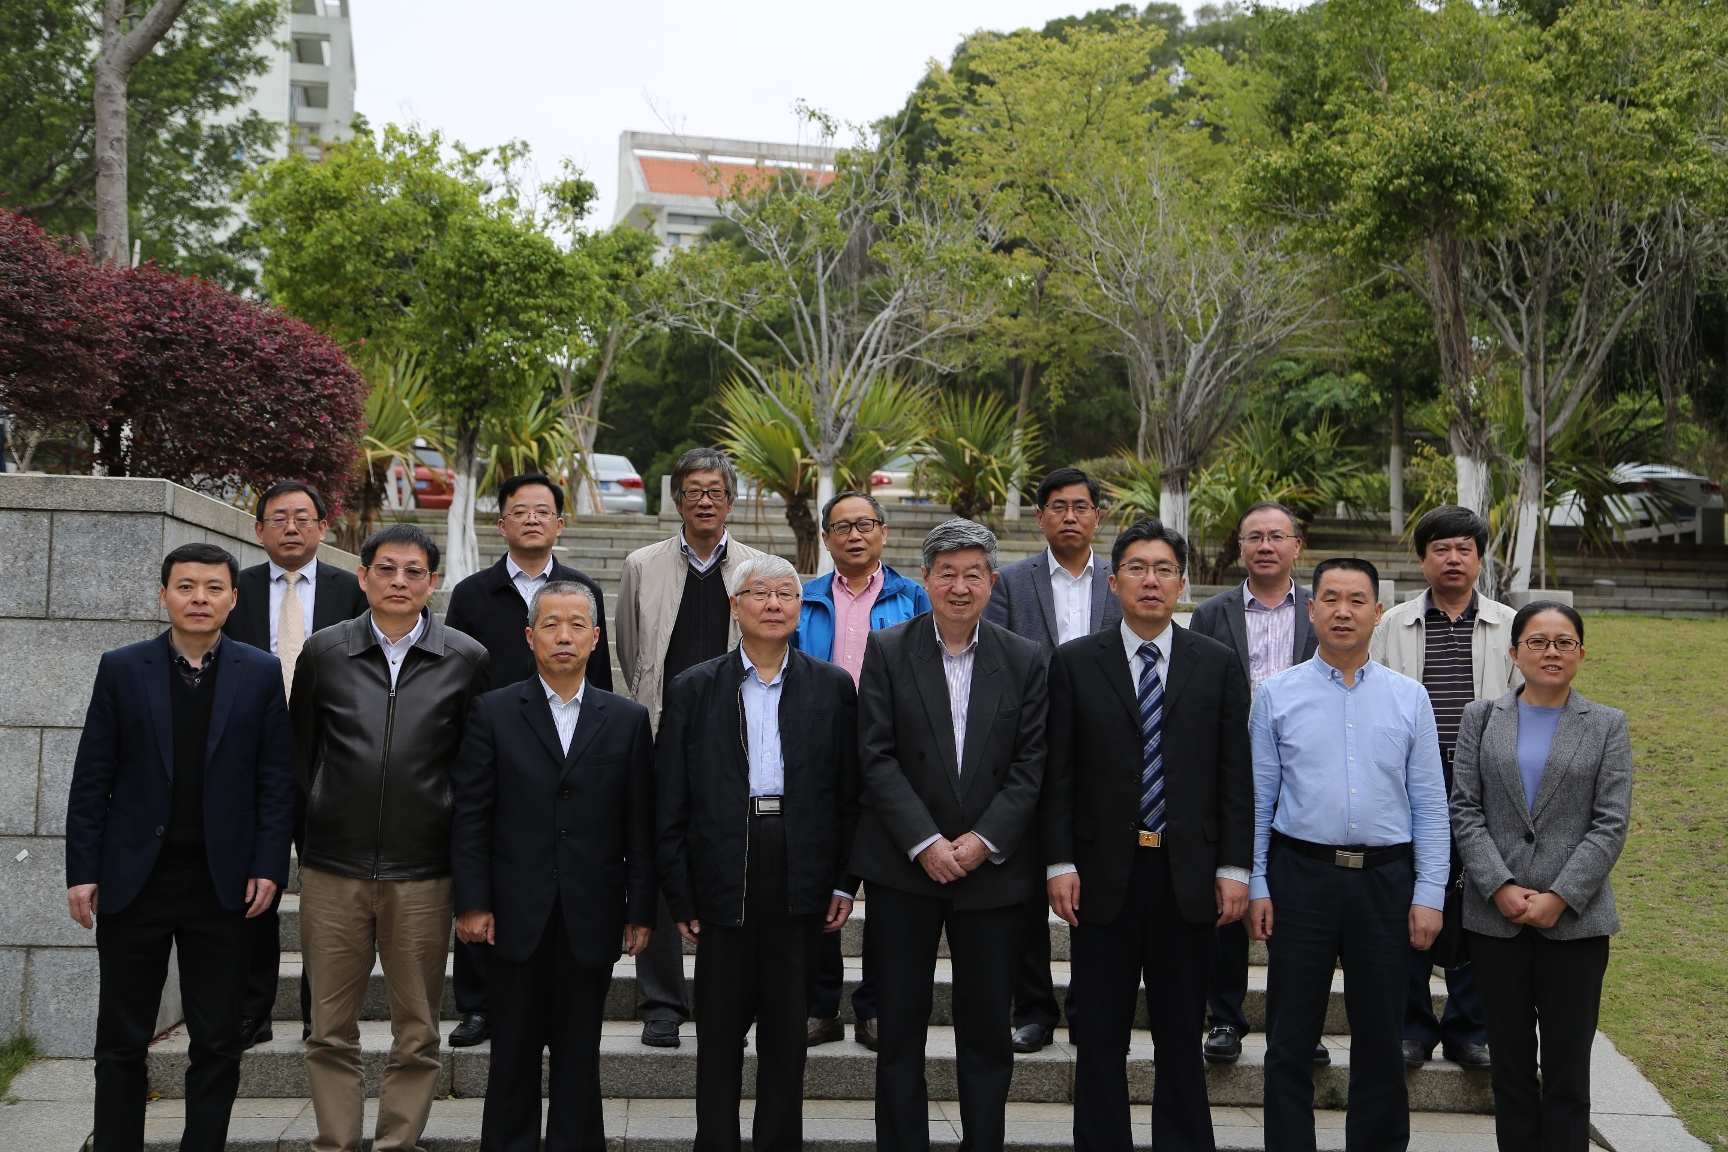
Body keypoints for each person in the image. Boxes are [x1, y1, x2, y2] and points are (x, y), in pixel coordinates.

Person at [66, 543, 295, 1152]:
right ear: (163, 594)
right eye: (186, 586)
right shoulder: (122, 667)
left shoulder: (259, 671)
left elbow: (276, 781)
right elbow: (92, 778)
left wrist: (269, 865)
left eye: (214, 588)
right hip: (133, 880)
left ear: (234, 599)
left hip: (224, 885)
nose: (200, 598)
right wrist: (82, 870)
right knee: (121, 1037)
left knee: (217, 1039)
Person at [1043, 518, 1253, 1152]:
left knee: (1181, 1033)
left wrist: (1234, 869)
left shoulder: (1216, 663)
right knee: (1098, 1032)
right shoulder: (1075, 661)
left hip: (1187, 876)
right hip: (1102, 873)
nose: (1151, 580)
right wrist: (1059, 862)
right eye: (1137, 568)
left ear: (1182, 584)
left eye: (1164, 569)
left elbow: (1234, 774)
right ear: (1114, 583)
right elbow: (1058, 772)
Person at [291, 523, 491, 1152]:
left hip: (423, 872)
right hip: (333, 869)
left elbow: (474, 769)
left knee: (418, 1029)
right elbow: (301, 756)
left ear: (434, 582)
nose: (398, 581)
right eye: (386, 568)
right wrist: (311, 832)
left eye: (413, 571)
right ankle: (336, 1143)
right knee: (329, 1027)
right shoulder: (324, 652)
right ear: (363, 576)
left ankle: (397, 1144)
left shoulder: (466, 659)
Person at [852, 519, 1048, 1152]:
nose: (960, 587)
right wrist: (925, 841)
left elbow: (1031, 764)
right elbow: (875, 755)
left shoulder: (1024, 658)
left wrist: (983, 840)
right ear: (926, 578)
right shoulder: (887, 649)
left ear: (992, 581)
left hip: (991, 873)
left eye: (973, 574)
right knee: (898, 1026)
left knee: (987, 1028)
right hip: (904, 867)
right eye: (947, 574)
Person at [658, 555, 862, 1152]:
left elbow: (850, 795)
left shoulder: (831, 685)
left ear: (800, 607)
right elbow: (670, 801)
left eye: (785, 594)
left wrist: (844, 881)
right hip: (724, 863)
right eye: (759, 593)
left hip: (801, 867)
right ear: (735, 606)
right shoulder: (694, 687)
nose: (773, 604)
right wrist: (681, 894)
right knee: (718, 1033)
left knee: (787, 1034)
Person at [1247, 557, 1449, 1152]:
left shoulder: (1409, 698)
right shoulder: (1276, 695)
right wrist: (1257, 881)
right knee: (1289, 1038)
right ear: (1310, 611)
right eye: (1330, 599)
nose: (1343, 611)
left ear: (1378, 613)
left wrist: (1430, 893)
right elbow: (1259, 799)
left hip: (1385, 883)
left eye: (1357, 600)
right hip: (1299, 877)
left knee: (1383, 1038)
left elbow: (1430, 805)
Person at [449, 581, 656, 1152]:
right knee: (511, 1052)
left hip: (592, 909)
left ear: (596, 638)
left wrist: (640, 908)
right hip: (513, 911)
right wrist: (472, 902)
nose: (563, 635)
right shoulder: (493, 711)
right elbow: (471, 815)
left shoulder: (626, 718)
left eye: (576, 625)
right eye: (550, 624)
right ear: (529, 636)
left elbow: (640, 824)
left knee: (578, 1052)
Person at [1450, 602, 1631, 1152]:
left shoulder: (1607, 724)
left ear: (1581, 653)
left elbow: (1610, 821)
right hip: (1495, 920)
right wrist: (1499, 886)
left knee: (1568, 1070)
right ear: (1514, 652)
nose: (1551, 652)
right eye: (1537, 641)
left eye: (1564, 642)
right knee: (1509, 1067)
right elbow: (1465, 808)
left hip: (1576, 924)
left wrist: (1561, 895)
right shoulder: (1481, 717)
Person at [442, 472, 614, 1049]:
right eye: (520, 511)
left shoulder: (581, 590)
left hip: (568, 754)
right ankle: (477, 1005)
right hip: (496, 751)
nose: (532, 519)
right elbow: (456, 680)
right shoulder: (473, 594)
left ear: (560, 523)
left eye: (543, 510)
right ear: (501, 524)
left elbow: (600, 680)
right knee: (488, 870)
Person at [615, 447, 767, 1047]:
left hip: (736, 737)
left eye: (715, 491)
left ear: (731, 500)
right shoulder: (641, 564)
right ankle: (661, 1002)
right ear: (676, 499)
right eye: (693, 491)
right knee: (657, 859)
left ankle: (727, 998)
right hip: (661, 733)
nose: (705, 500)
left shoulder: (756, 566)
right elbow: (631, 649)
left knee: (731, 860)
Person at [223, 480, 368, 1050]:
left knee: (328, 894)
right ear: (258, 529)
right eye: (278, 518)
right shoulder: (234, 588)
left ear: (323, 527)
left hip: (328, 759)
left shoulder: (350, 589)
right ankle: (251, 1010)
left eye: (303, 517)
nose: (291, 527)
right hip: (248, 760)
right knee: (251, 887)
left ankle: (320, 1013)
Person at [1371, 504, 1516, 1071]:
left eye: (1464, 549)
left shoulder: (1510, 625)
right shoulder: (1392, 625)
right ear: (1422, 559)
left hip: (1487, 780)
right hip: (1410, 779)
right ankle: (1412, 1026)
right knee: (1410, 895)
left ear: (1479, 559)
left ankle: (1469, 1029)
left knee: (1480, 897)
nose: (1452, 559)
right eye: (1440, 549)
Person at [983, 466, 1121, 1054]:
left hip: (1104, 755)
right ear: (1039, 517)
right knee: (1023, 889)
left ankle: (1090, 1005)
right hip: (1027, 748)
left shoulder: (1119, 579)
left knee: (1098, 885)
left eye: (1081, 506)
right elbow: (995, 662)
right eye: (1058, 507)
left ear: (1097, 516)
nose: (1070, 516)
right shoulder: (1011, 583)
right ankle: (1034, 1009)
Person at [1187, 501, 1323, 1066]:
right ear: (1240, 547)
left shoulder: (1319, 609)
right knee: (1228, 892)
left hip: (1304, 772)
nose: (1265, 546)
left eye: (1276, 536)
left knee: (1300, 901)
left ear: (1297, 546)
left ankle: (1301, 1024)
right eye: (1254, 537)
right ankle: (1224, 1018)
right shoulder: (1210, 614)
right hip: (1229, 771)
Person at [794, 489, 929, 1051]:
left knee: (890, 888)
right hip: (818, 753)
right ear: (826, 538)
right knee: (818, 877)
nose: (855, 535)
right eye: (842, 526)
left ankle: (875, 1007)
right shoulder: (803, 598)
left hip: (894, 756)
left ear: (884, 532)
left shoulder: (914, 596)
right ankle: (820, 1006)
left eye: (865, 524)